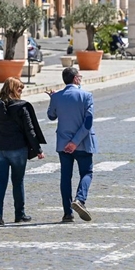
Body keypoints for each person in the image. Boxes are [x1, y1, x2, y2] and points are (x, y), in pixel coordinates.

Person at [0, 78, 45, 226]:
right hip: (17, 149)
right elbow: (30, 130)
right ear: (12, 89)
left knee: (0, 182)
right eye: (19, 89)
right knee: (17, 182)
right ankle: (20, 214)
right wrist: (38, 149)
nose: (21, 92)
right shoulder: (21, 107)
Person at [47, 67, 98, 222]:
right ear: (76, 79)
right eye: (80, 77)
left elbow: (51, 116)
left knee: (65, 178)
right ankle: (80, 199)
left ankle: (67, 213)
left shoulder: (57, 97)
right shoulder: (86, 96)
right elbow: (88, 122)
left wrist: (52, 98)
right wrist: (75, 142)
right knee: (87, 173)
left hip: (63, 144)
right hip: (83, 142)